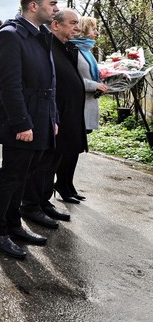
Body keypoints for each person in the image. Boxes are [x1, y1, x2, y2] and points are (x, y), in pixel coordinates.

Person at [0, 0, 59, 260]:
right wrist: (21, 123)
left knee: (24, 176)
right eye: (52, 3)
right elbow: (9, 85)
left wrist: (54, 117)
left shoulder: (41, 35)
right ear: (34, 6)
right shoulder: (10, 35)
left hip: (41, 116)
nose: (56, 8)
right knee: (10, 176)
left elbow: (50, 81)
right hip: (23, 119)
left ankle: (13, 224)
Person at [21, 8, 85, 226]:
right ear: (56, 25)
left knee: (53, 162)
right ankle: (30, 204)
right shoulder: (46, 46)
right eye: (73, 23)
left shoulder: (66, 48)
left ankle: (43, 200)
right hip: (52, 116)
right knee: (43, 163)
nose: (77, 27)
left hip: (66, 116)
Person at [71, 16, 108, 201]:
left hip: (87, 103)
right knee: (70, 149)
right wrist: (95, 85)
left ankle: (66, 184)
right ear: (84, 30)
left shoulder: (86, 51)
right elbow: (73, 80)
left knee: (76, 148)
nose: (97, 33)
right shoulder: (75, 50)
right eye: (94, 29)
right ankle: (63, 185)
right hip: (78, 105)